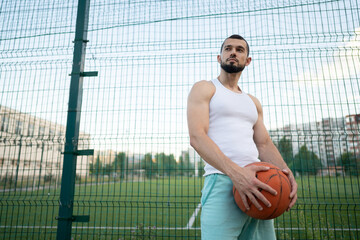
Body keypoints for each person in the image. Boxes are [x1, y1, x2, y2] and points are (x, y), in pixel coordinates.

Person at [187, 34, 297, 239]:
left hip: (261, 185)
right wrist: (237, 174)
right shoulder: (205, 88)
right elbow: (197, 137)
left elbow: (264, 144)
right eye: (228, 48)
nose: (233, 52)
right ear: (219, 57)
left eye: (239, 49)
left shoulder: (252, 102)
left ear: (247, 60)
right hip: (223, 180)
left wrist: (285, 173)